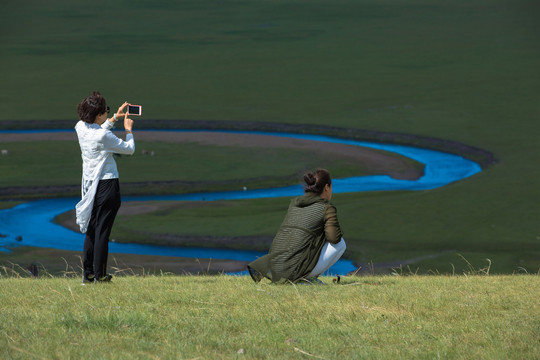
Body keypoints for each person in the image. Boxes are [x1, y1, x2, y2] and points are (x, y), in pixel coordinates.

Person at [75, 91, 135, 284]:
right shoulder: (103, 136)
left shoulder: (80, 127)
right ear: (98, 115)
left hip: (90, 184)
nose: (106, 114)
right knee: (103, 231)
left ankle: (88, 274)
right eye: (105, 111)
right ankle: (100, 275)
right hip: (108, 185)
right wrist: (128, 130)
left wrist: (114, 118)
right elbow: (129, 149)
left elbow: (98, 131)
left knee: (93, 229)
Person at [247, 169, 346, 284]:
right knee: (340, 244)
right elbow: (334, 238)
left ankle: (303, 277)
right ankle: (305, 279)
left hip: (276, 267)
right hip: (293, 269)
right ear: (326, 187)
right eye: (331, 187)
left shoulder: (295, 203)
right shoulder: (326, 207)